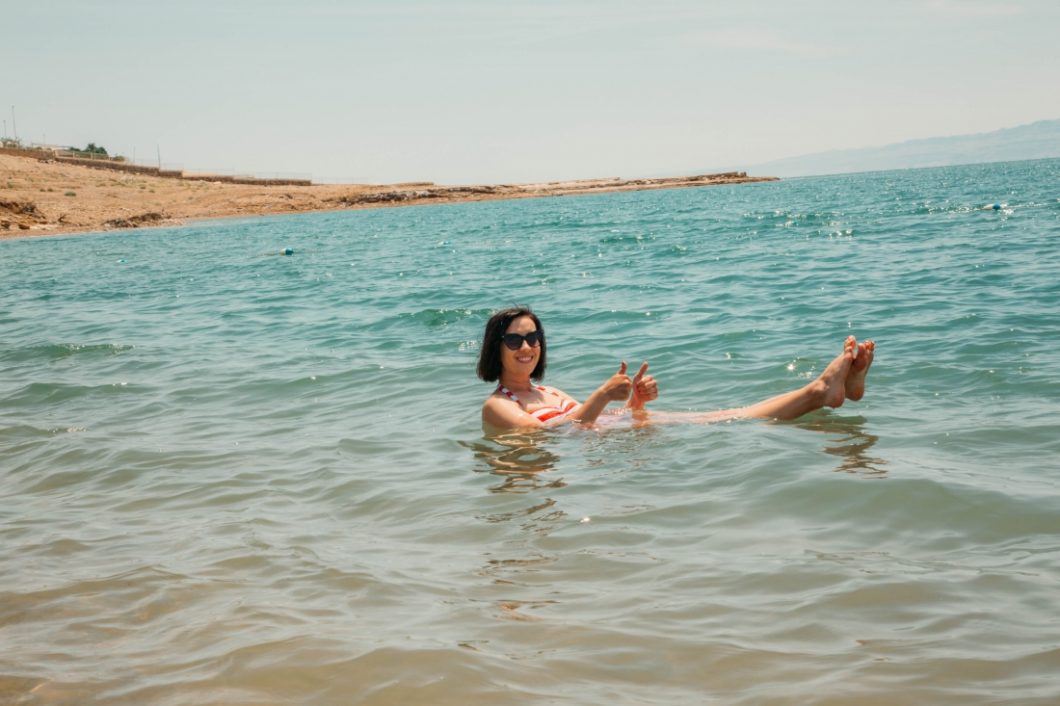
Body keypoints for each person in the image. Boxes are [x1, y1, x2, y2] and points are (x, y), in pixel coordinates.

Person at [477, 307, 875, 432]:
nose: (527, 347)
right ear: (497, 349)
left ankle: (830, 391)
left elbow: (586, 424)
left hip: (621, 433)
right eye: (514, 340)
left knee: (732, 414)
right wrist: (601, 395)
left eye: (533, 338)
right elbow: (547, 435)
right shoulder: (497, 406)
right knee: (733, 418)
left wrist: (633, 401)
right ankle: (825, 392)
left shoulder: (551, 392)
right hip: (613, 445)